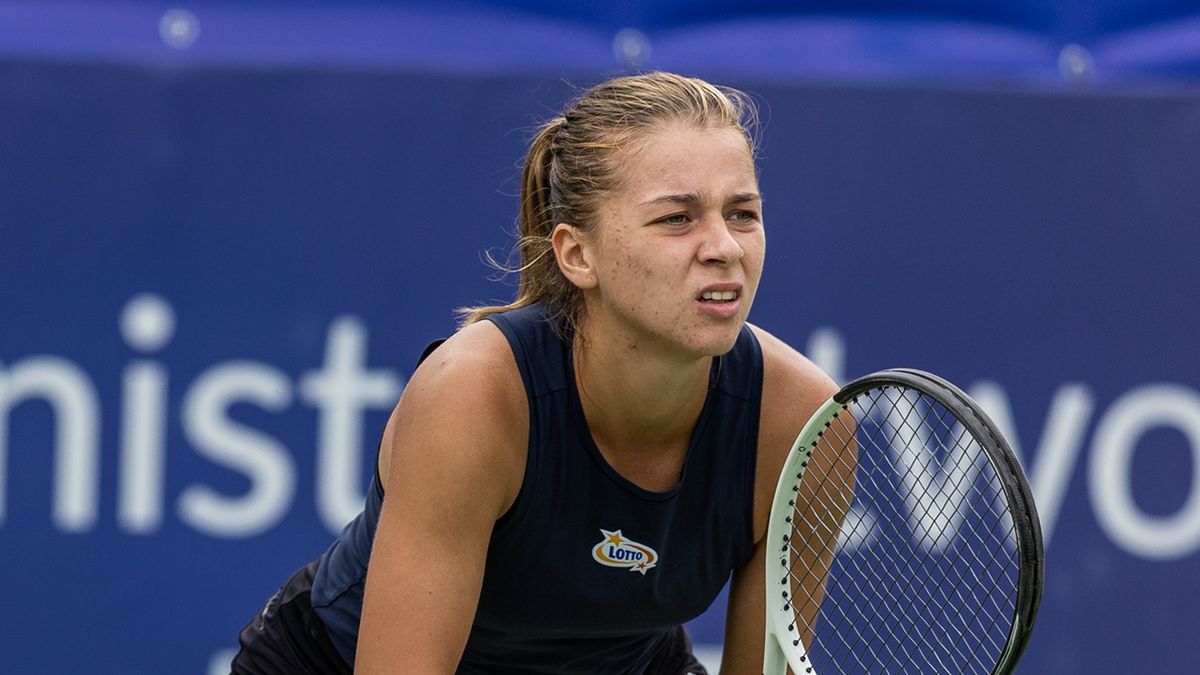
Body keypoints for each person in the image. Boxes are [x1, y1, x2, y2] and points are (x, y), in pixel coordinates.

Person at [231, 71, 836, 675]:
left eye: (743, 214)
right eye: (677, 218)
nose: (724, 247)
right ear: (577, 254)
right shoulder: (471, 397)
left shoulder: (804, 424)